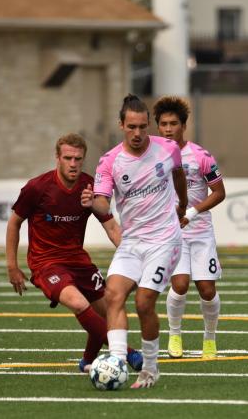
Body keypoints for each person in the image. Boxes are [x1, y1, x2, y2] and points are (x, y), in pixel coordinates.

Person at [5, 133, 143, 372]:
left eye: (78, 158)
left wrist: (134, 257)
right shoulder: (37, 188)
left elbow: (111, 226)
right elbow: (14, 222)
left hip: (79, 262)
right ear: (57, 158)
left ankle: (88, 361)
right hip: (46, 264)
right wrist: (12, 266)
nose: (73, 163)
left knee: (113, 310)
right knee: (79, 303)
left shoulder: (89, 187)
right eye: (68, 158)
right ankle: (129, 354)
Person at [81, 94, 188, 389]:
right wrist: (92, 203)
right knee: (113, 295)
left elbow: (179, 175)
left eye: (142, 126)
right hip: (132, 242)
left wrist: (182, 204)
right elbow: (104, 204)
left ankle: (151, 369)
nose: (138, 133)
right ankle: (116, 360)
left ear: (149, 124)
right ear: (121, 125)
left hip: (164, 240)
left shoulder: (167, 149)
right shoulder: (109, 161)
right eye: (131, 127)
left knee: (143, 302)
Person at [153, 96, 225, 359]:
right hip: (172, 233)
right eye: (163, 124)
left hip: (201, 231)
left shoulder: (200, 155)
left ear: (184, 125)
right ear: (157, 127)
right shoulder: (152, 156)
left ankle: (209, 339)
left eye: (173, 123)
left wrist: (192, 212)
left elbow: (219, 192)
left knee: (207, 289)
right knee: (180, 284)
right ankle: (174, 335)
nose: (168, 129)